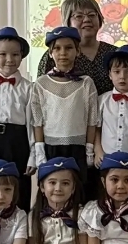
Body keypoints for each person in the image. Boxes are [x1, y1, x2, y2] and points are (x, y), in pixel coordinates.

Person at [30, 26, 100, 185]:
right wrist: (40, 151)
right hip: (51, 147)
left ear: (78, 51)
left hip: (78, 148)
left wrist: (89, 149)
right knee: (53, 189)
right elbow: (37, 121)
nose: (63, 53)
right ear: (50, 53)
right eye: (57, 48)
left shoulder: (86, 83)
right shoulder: (41, 84)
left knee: (78, 188)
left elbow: (92, 120)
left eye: (69, 48)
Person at [0, 27, 35, 211]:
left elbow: (32, 124)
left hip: (18, 142)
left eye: (15, 54)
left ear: (22, 56)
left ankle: (21, 226)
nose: (10, 59)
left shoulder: (29, 88)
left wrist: (33, 157)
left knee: (19, 188)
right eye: (3, 54)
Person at [37, 0, 118, 95]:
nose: (87, 19)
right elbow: (41, 93)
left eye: (92, 15)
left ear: (99, 19)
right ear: (68, 22)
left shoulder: (115, 53)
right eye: (79, 16)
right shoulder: (55, 54)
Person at [93, 44, 128, 201]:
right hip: (107, 159)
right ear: (110, 74)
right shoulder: (102, 100)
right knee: (105, 198)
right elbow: (96, 128)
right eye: (117, 72)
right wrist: (98, 150)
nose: (122, 76)